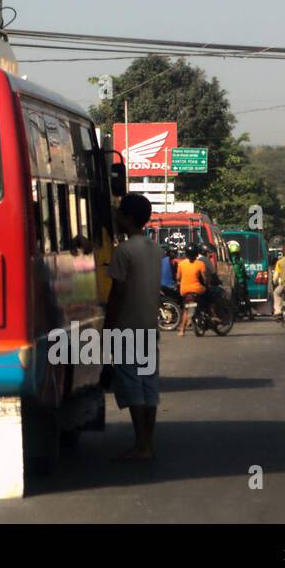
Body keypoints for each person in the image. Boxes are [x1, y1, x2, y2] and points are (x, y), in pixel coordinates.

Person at [104, 194, 162, 460]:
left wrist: (108, 329)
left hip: (127, 327)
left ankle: (141, 444)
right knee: (149, 385)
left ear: (127, 218)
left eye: (118, 214)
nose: (115, 218)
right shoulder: (153, 248)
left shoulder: (124, 251)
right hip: (150, 326)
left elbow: (117, 293)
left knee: (132, 384)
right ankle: (147, 443)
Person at [175, 245, 208, 336]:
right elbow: (205, 279)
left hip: (184, 291)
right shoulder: (200, 264)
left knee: (186, 310)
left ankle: (182, 331)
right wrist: (206, 285)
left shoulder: (181, 264)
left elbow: (178, 278)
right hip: (197, 289)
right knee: (208, 296)